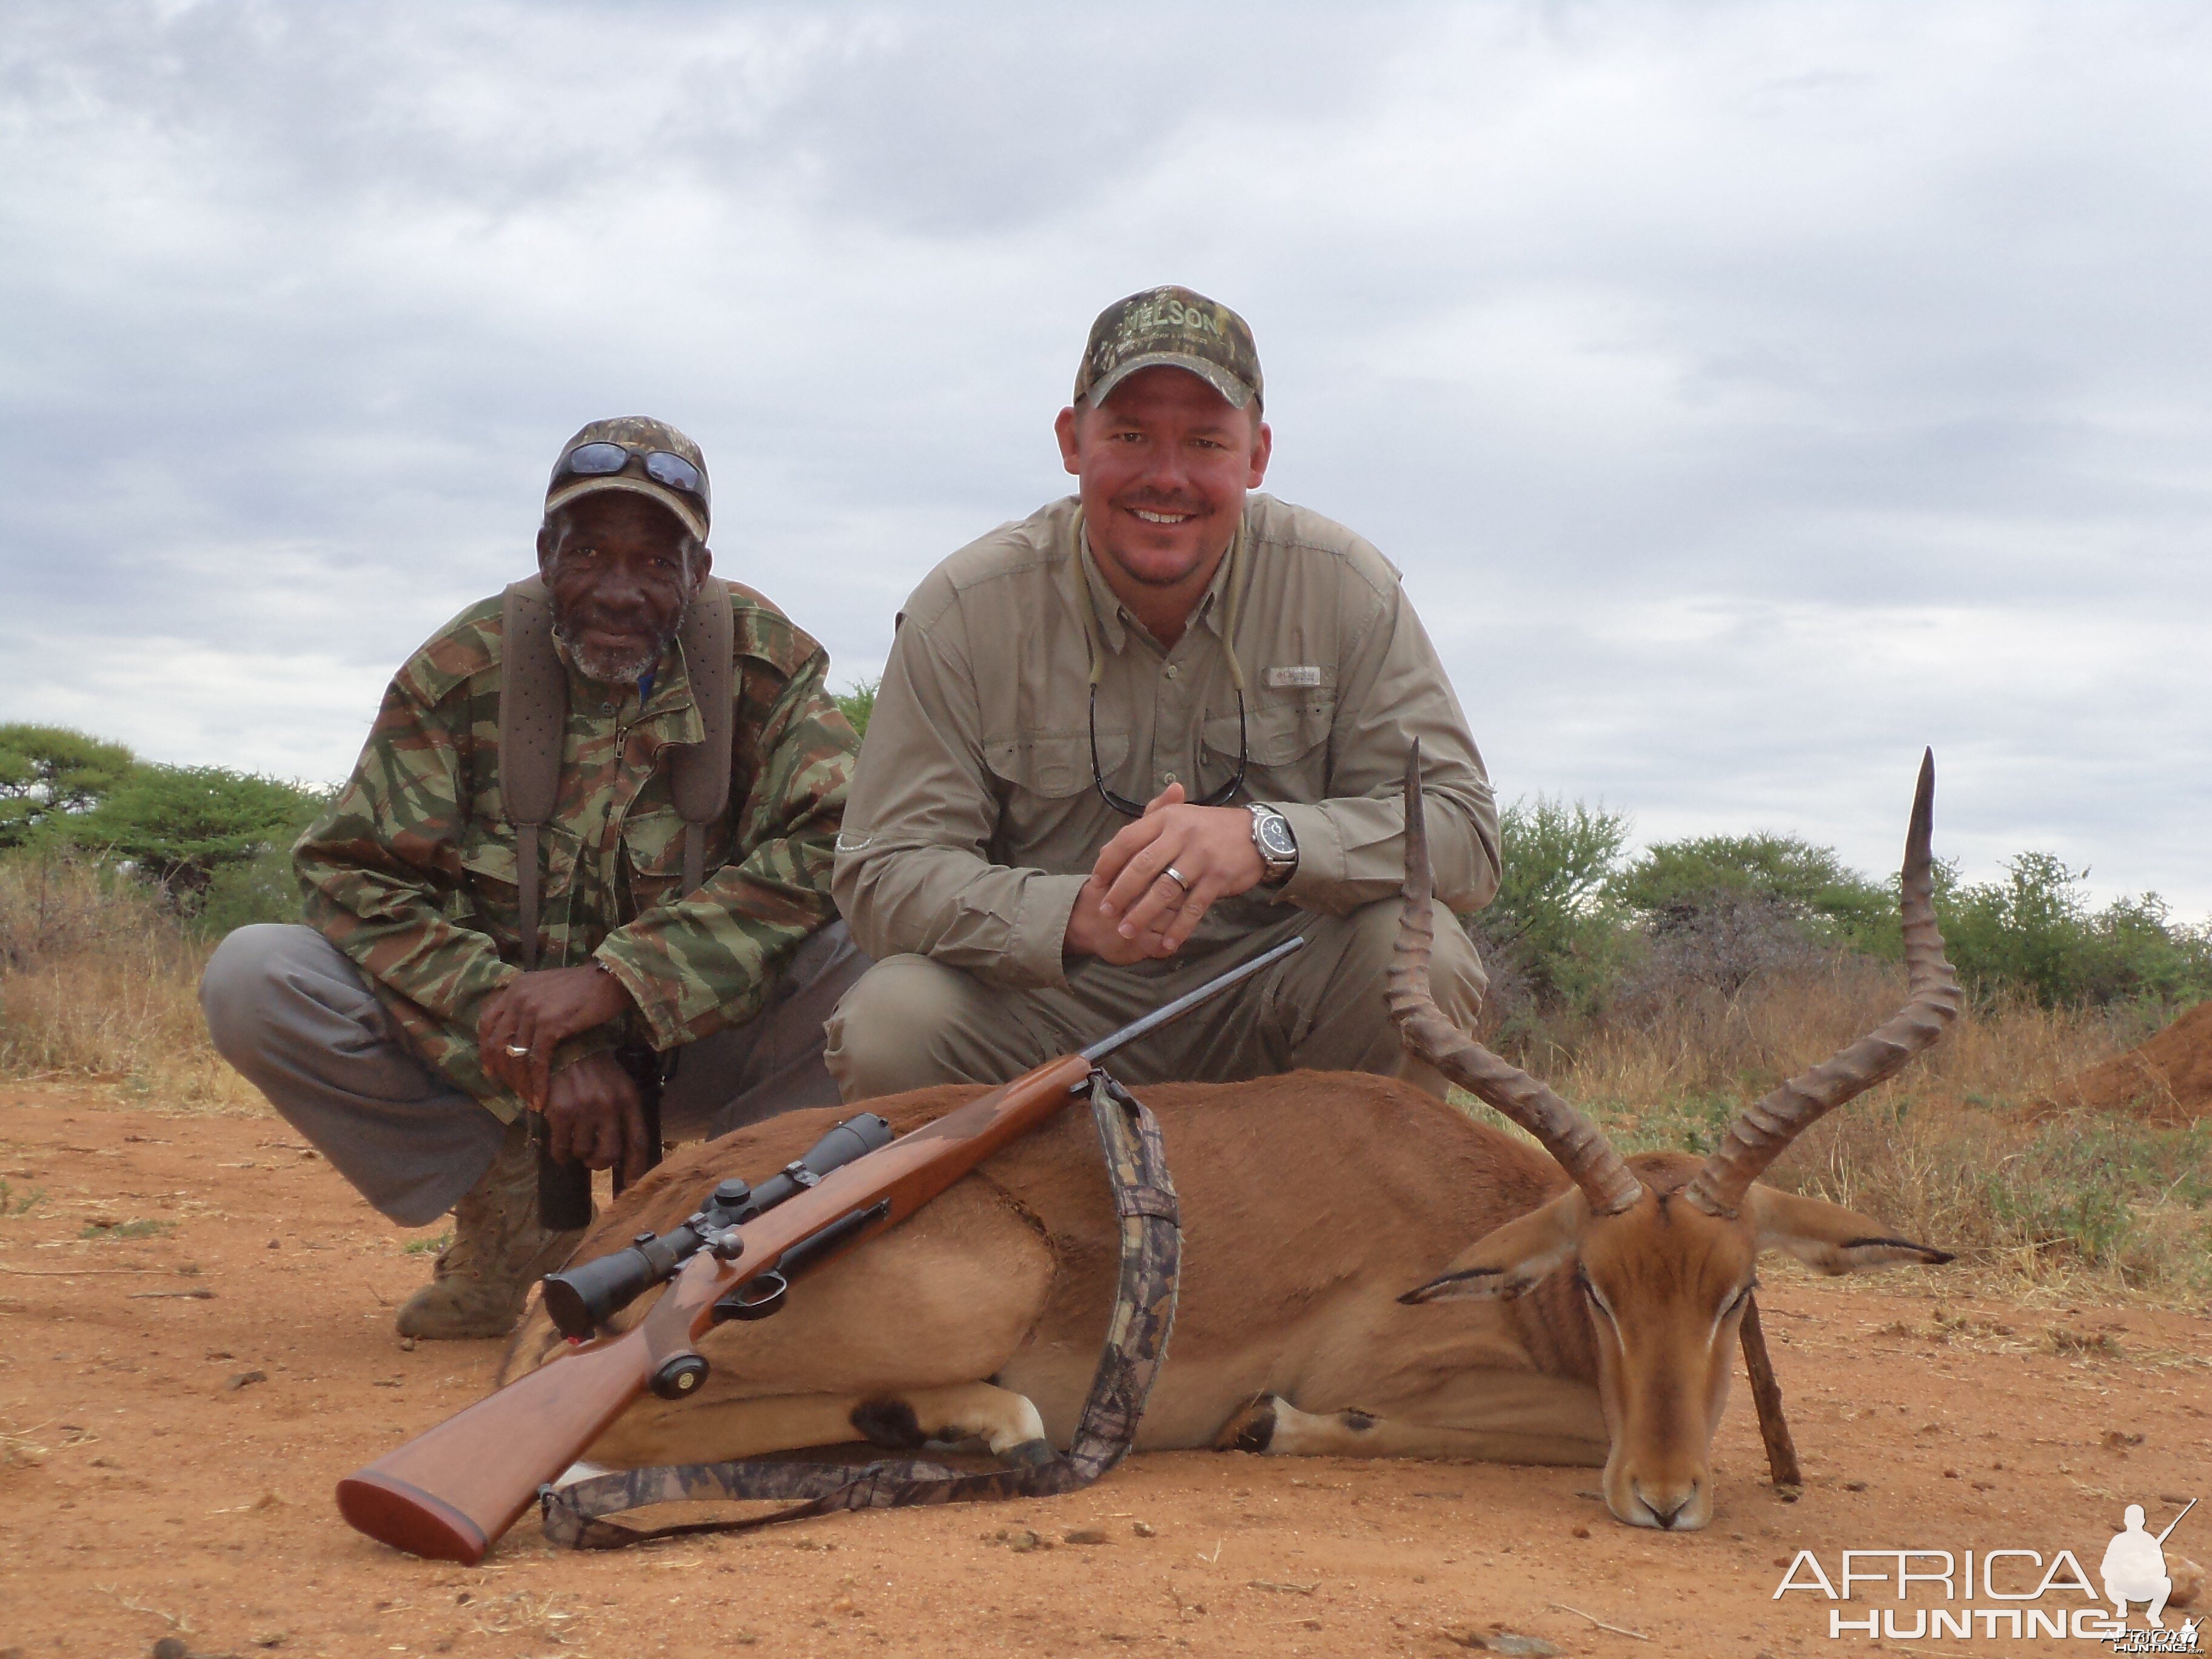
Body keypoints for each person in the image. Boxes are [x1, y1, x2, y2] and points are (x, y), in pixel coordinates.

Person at [202, 417, 867, 1338]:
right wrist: (534, 1038)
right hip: (500, 1057)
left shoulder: (767, 663)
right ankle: (511, 1212)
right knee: (256, 976)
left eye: (655, 561)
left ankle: (713, 1224)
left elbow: (841, 839)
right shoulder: (460, 670)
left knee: (875, 948)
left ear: (700, 572)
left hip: (705, 1043)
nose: (619, 589)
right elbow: (353, 876)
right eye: (590, 552)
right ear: (546, 553)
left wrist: (622, 982)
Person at [826, 287, 1495, 1098]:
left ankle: (1356, 1217)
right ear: (1074, 442)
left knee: (1421, 958)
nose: (1167, 475)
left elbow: (1464, 834)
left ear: (1257, 455)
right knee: (890, 1023)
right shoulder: (963, 611)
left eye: (1207, 441)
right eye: (1132, 434)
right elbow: (882, 874)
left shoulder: (1347, 587)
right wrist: (1071, 918)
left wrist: (1267, 840)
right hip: (1050, 1008)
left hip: (1274, 991)